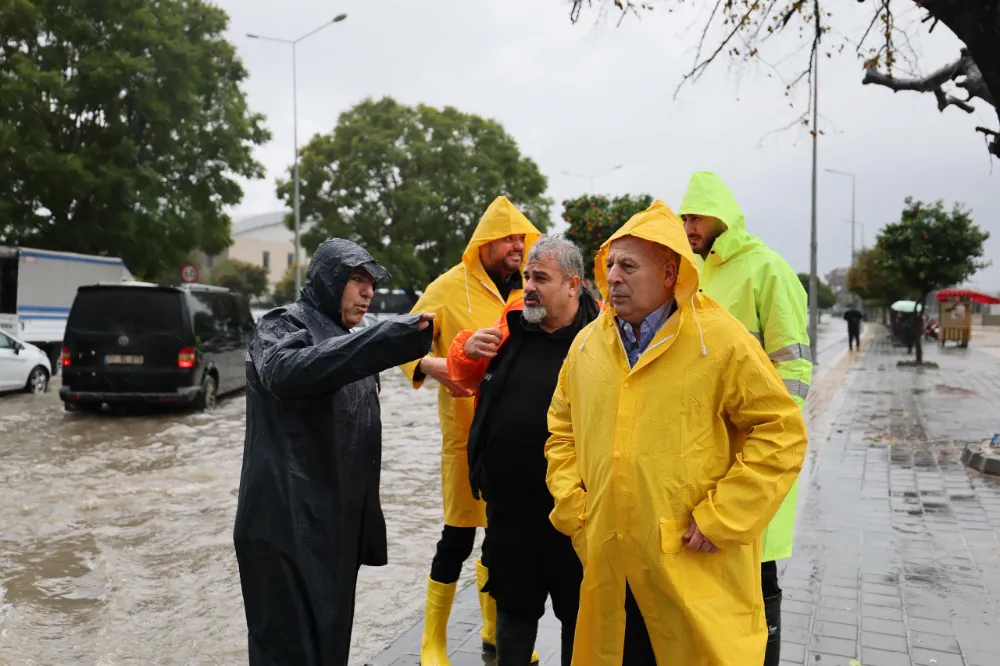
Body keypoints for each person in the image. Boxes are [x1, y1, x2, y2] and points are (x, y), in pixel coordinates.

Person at [545, 201, 808, 665]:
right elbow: (561, 430)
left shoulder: (719, 340)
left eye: (629, 266)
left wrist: (724, 515)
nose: (614, 276)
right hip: (609, 559)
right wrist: (575, 508)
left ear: (671, 273)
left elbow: (781, 430)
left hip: (688, 561)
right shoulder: (587, 345)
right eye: (610, 265)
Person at [233, 239, 434, 665]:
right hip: (283, 530)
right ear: (328, 279)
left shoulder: (345, 338)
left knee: (328, 650)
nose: (367, 292)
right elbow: (285, 373)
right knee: (288, 654)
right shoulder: (281, 323)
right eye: (356, 280)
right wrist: (383, 340)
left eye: (371, 284)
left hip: (333, 533)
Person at [398, 196, 542, 665]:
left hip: (517, 437)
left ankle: (494, 629)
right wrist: (434, 366)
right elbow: (401, 344)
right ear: (484, 243)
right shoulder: (444, 288)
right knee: (457, 538)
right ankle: (433, 640)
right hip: (465, 435)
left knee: (502, 537)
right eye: (508, 238)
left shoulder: (531, 287)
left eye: (522, 237)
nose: (518, 245)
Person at [446, 237, 601, 666]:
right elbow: (463, 377)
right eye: (527, 276)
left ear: (573, 285)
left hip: (577, 513)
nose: (528, 286)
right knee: (513, 612)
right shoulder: (513, 321)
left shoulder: (603, 334)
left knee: (580, 615)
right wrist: (466, 350)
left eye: (541, 278)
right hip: (510, 511)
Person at [679, 171, 812, 666]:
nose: (688, 227)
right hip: (702, 447)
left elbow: (793, 365)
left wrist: (771, 436)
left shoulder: (767, 269)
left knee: (758, 572)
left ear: (722, 217)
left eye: (696, 217)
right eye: (684, 218)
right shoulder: (693, 273)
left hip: (754, 450)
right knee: (713, 575)